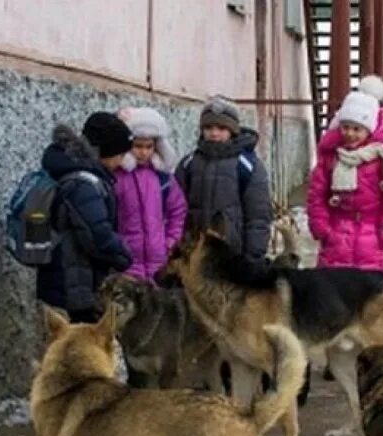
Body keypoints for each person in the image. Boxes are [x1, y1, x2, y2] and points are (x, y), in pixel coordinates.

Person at [37, 112, 133, 322]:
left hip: (65, 278)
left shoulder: (76, 174)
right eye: (121, 154)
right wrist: (124, 255)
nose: (123, 160)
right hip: (75, 283)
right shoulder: (84, 185)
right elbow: (97, 236)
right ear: (107, 152)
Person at [307, 90, 383, 272]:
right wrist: (322, 227)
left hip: (373, 238)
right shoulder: (331, 159)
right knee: (334, 293)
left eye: (357, 129)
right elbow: (317, 195)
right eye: (345, 127)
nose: (350, 134)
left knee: (371, 294)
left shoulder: (382, 159)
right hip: (336, 237)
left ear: (368, 131)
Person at [175, 96, 272, 262]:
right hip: (194, 252)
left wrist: (253, 256)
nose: (214, 133)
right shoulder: (189, 163)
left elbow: (258, 216)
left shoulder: (247, 165)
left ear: (232, 130)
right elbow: (175, 207)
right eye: (208, 127)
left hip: (232, 254)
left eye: (221, 128)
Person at [113, 107, 188, 283]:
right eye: (138, 146)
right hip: (126, 261)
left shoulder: (163, 178)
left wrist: (170, 242)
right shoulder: (117, 177)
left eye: (149, 147)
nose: (144, 152)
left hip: (159, 261)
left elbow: (178, 211)